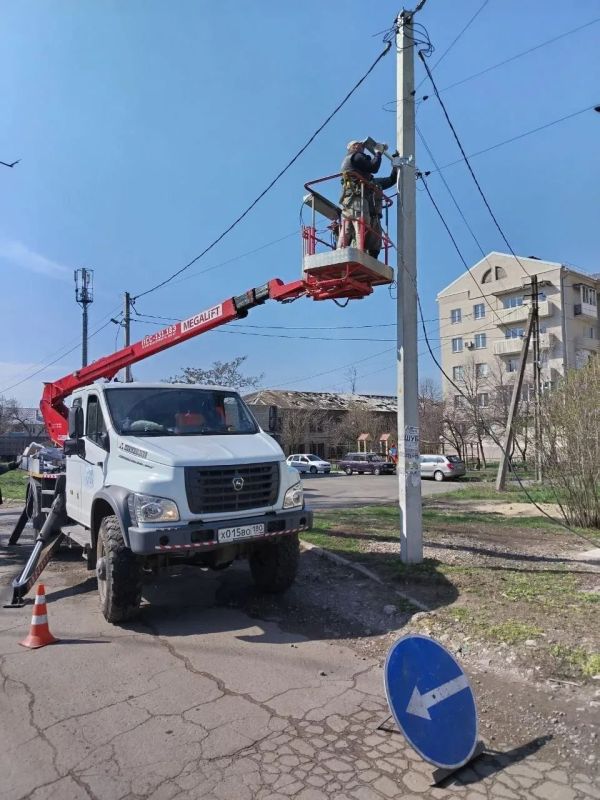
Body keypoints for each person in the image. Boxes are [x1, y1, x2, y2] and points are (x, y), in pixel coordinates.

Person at [339, 140, 382, 250]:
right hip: (357, 198)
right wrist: (378, 153)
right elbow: (373, 167)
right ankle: (360, 251)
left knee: (346, 227)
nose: (361, 146)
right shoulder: (356, 156)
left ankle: (340, 249)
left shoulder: (347, 159)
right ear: (352, 147)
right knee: (360, 224)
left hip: (347, 199)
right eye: (358, 144)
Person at [367, 152, 399, 259]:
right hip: (364, 214)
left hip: (376, 216)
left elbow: (391, 180)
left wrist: (395, 162)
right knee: (362, 238)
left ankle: (372, 259)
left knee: (375, 242)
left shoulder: (376, 182)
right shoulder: (358, 181)